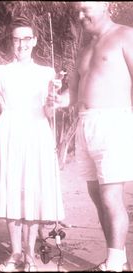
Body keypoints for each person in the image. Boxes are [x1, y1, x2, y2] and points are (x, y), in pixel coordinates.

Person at [0, 16, 65, 272]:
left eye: (26, 39)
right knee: (12, 191)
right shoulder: (0, 71)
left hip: (37, 131)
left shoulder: (47, 73)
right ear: (11, 42)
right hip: (8, 132)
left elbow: (50, 113)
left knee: (32, 192)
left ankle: (30, 255)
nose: (21, 44)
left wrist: (53, 99)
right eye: (16, 39)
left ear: (35, 41)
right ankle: (15, 253)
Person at [53, 2, 133, 272]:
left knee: (111, 196)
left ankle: (115, 262)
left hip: (113, 122)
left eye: (85, 9)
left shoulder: (125, 35)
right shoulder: (84, 50)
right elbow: (72, 97)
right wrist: (57, 98)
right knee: (96, 195)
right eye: (77, 10)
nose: (80, 15)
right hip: (85, 125)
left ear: (106, 5)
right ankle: (117, 259)